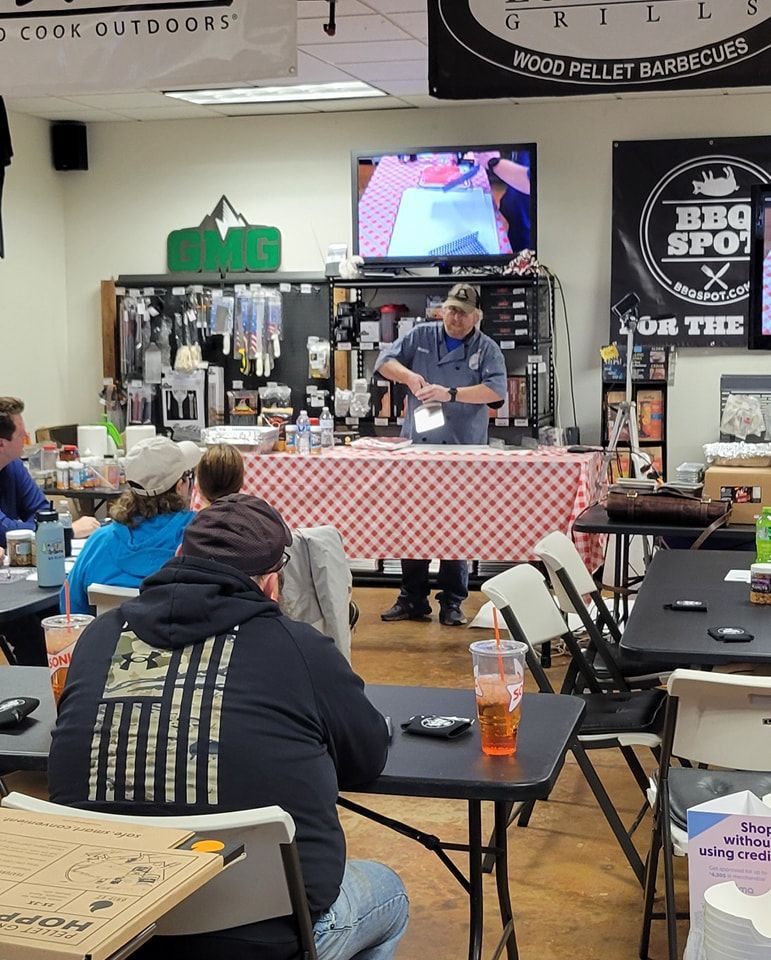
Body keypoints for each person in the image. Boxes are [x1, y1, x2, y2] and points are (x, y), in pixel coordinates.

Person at [48, 493, 408, 960]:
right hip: (268, 933)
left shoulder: (99, 637)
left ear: (178, 557)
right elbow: (366, 757)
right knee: (390, 892)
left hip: (112, 925)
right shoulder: (301, 649)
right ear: (271, 585)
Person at [375, 283, 506, 626]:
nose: (455, 317)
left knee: (457, 523)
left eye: (463, 312)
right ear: (441, 310)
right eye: (450, 309)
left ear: (476, 317)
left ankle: (452, 601)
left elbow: (494, 392)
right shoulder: (421, 335)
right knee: (412, 520)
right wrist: (409, 376)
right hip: (419, 446)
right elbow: (384, 362)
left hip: (463, 449)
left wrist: (451, 393)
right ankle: (412, 598)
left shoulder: (487, 349)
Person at [63, 434, 202, 615]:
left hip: (106, 641)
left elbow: (70, 609)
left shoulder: (99, 542)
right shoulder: (200, 539)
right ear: (179, 486)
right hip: (181, 641)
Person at [0, 396, 99, 547]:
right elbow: (4, 531)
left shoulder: (13, 465)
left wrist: (44, 531)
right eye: (20, 434)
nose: (26, 437)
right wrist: (67, 531)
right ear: (1, 443)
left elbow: (43, 513)